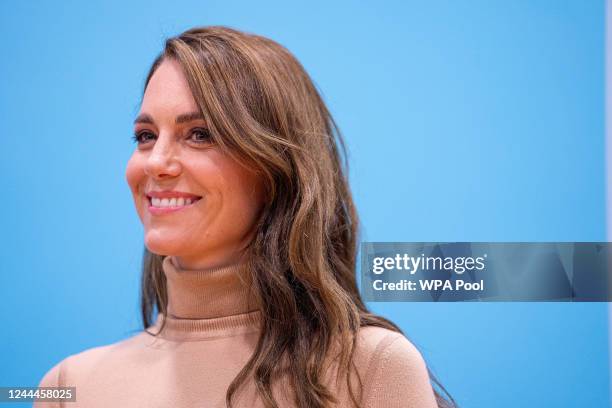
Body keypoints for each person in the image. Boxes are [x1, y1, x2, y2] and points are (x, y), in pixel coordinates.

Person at [35, 25, 455, 408]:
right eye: (146, 136)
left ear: (276, 168)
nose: (156, 162)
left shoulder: (372, 367)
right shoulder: (68, 386)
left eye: (199, 134)